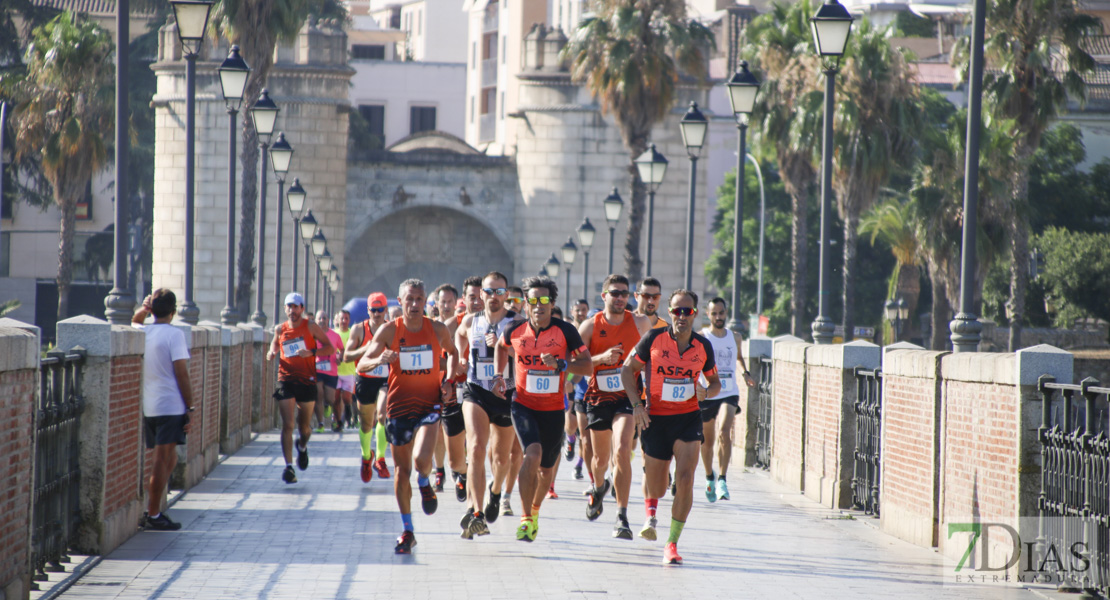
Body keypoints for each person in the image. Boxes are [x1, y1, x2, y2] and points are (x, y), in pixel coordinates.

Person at [357, 279, 459, 554]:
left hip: (430, 405)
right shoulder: (390, 330)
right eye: (409, 299)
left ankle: (425, 482)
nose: (415, 304)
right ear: (400, 302)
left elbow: (453, 354)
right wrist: (379, 360)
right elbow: (361, 363)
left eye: (420, 299)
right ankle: (408, 530)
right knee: (402, 471)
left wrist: (449, 380)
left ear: (426, 302)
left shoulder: (436, 329)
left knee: (420, 460)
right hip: (398, 408)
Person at [620, 289, 720, 565]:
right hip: (655, 419)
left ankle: (672, 543)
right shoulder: (653, 338)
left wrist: (706, 393)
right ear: (670, 313)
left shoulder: (703, 346)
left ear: (695, 314)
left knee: (686, 478)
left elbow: (715, 383)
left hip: (687, 418)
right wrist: (636, 406)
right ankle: (654, 497)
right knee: (657, 488)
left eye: (687, 311)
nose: (682, 316)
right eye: (676, 310)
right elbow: (627, 371)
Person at [492, 276, 592, 542]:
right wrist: (498, 376)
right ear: (526, 304)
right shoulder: (513, 329)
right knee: (531, 454)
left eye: (544, 300)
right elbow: (501, 349)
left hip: (553, 409)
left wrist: (562, 365)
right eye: (533, 300)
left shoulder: (566, 331)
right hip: (522, 403)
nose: (539, 305)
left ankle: (535, 512)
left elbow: (588, 366)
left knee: (546, 470)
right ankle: (525, 519)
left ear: (552, 303)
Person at [578, 274, 651, 538]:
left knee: (621, 450)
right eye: (615, 293)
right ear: (604, 296)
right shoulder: (589, 326)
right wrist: (602, 358)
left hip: (627, 397)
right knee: (600, 460)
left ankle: (622, 516)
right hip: (598, 399)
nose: (620, 298)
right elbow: (577, 364)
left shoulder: (640, 322)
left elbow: (651, 357)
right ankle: (599, 487)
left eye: (624, 293)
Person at [455, 271, 524, 538]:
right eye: (489, 291)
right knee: (475, 448)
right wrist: (461, 356)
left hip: (505, 392)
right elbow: (460, 335)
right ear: (481, 294)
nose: (493, 297)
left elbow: (529, 355)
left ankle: (495, 494)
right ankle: (476, 512)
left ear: (506, 295)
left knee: (501, 457)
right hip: (476, 390)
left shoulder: (517, 322)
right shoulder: (471, 320)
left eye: (499, 292)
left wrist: (506, 347)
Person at [131, 289, 194, 530]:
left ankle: (155, 509)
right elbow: (181, 372)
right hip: (171, 404)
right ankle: (154, 513)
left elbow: (133, 322)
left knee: (170, 459)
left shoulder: (144, 330)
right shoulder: (174, 334)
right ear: (173, 311)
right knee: (161, 459)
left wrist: (144, 310)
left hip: (151, 405)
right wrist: (191, 405)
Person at [266, 292, 336, 484]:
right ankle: (289, 467)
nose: (292, 310)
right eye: (289, 306)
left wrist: (311, 352)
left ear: (302, 309)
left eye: (296, 307)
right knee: (288, 424)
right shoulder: (280, 329)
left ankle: (302, 447)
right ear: (285, 309)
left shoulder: (311, 327)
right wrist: (272, 352)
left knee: (304, 427)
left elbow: (330, 348)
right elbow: (274, 342)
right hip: (286, 379)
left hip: (307, 380)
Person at [699, 298, 757, 501]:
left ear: (726, 313)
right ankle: (709, 477)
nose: (718, 317)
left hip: (729, 391)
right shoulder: (702, 337)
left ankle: (723, 479)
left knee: (724, 431)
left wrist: (745, 374)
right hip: (707, 392)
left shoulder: (735, 337)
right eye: (714, 313)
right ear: (708, 315)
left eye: (721, 313)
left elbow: (739, 358)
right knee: (707, 440)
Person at [436, 276, 482, 502]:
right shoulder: (451, 325)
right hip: (455, 392)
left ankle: (482, 499)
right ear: (464, 299)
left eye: (481, 296)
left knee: (477, 447)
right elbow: (434, 360)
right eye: (472, 297)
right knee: (455, 460)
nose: (477, 301)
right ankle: (461, 474)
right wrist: (454, 367)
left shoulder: (500, 324)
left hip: (483, 394)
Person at [343, 292, 392, 482]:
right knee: (365, 424)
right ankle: (366, 457)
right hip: (364, 378)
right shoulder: (358, 330)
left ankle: (380, 458)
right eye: (374, 310)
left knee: (382, 415)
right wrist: (366, 348)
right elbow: (346, 356)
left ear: (385, 310)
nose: (377, 314)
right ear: (368, 310)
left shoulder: (392, 329)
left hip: (385, 379)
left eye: (381, 310)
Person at [430, 283, 460, 492]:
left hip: (457, 385)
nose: (447, 306)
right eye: (443, 302)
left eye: (450, 302)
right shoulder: (430, 326)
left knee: (458, 431)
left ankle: (458, 469)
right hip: (433, 383)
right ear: (437, 304)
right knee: (438, 430)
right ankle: (439, 470)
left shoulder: (461, 325)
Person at [313, 309, 343, 432]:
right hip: (317, 369)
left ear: (328, 321)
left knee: (330, 399)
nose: (322, 320)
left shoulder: (335, 336)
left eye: (324, 318)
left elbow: (342, 349)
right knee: (318, 395)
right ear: (316, 321)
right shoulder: (311, 335)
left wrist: (340, 358)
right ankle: (320, 424)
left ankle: (327, 405)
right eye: (319, 318)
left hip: (331, 371)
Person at [334, 310, 357, 429]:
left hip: (349, 370)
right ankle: (339, 422)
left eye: (346, 318)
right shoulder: (334, 334)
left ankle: (349, 415)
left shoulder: (352, 334)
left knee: (347, 398)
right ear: (338, 320)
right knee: (336, 398)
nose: (344, 321)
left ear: (349, 320)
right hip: (336, 371)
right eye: (342, 318)